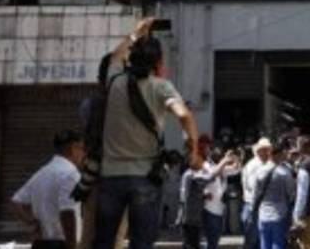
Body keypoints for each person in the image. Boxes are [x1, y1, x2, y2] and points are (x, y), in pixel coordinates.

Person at [93, 18, 202, 249]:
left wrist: (135, 33)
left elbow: (115, 57)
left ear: (131, 60)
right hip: (144, 177)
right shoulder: (161, 86)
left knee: (103, 242)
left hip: (110, 175)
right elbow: (184, 115)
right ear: (159, 63)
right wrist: (192, 151)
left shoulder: (114, 81)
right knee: (141, 243)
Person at [77, 54, 127, 249]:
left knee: (89, 236)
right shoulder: (129, 105)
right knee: (114, 239)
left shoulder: (90, 105)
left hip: (95, 179)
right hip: (120, 180)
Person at [13, 130, 87, 249]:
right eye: (82, 149)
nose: (83, 155)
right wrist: (72, 246)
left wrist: (31, 223)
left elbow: (15, 202)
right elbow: (67, 212)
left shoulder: (42, 172)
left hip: (40, 243)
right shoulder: (71, 174)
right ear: (73, 148)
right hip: (62, 244)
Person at [181, 136, 241, 249]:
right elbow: (212, 174)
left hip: (219, 208)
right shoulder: (203, 164)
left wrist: (235, 157)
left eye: (211, 147)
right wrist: (225, 160)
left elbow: (236, 169)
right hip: (207, 209)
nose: (215, 150)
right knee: (208, 241)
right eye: (210, 148)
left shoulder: (215, 165)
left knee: (213, 240)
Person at [255, 140, 297, 249]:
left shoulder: (260, 171)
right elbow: (291, 194)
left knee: (264, 245)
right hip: (279, 213)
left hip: (263, 214)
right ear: (279, 154)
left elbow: (256, 193)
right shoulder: (284, 172)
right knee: (278, 244)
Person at [241, 138, 273, 249]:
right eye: (266, 150)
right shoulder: (253, 166)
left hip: (260, 206)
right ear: (259, 151)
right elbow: (253, 187)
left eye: (269, 149)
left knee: (259, 240)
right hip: (252, 206)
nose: (268, 152)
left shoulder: (267, 164)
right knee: (252, 240)